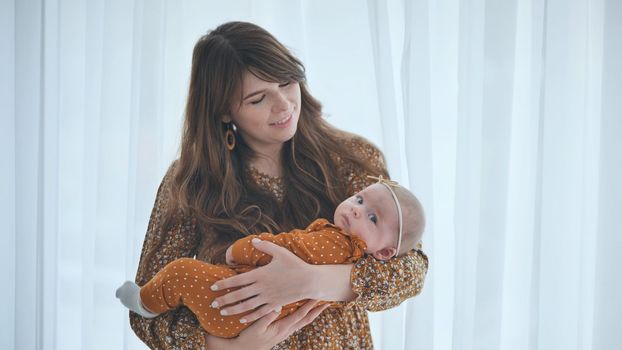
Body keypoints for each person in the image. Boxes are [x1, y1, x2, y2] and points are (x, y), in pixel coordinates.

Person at [129, 21, 429, 349]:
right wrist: (227, 348)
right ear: (224, 111)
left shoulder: (351, 158)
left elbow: (411, 268)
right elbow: (146, 309)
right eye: (258, 99)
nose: (284, 105)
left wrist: (311, 281)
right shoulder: (190, 182)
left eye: (287, 83)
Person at [118, 178, 425, 338]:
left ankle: (144, 302)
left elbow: (286, 247)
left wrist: (243, 249)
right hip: (242, 320)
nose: (357, 208)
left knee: (181, 273)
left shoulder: (336, 244)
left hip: (237, 309)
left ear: (385, 253)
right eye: (359, 199)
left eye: (372, 217)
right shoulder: (347, 247)